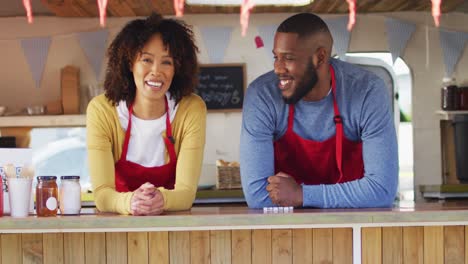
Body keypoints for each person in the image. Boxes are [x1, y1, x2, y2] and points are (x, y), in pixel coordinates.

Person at [240, 13, 398, 208]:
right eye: (276, 57)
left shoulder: (367, 91)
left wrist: (302, 195)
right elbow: (257, 197)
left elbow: (381, 191)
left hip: (354, 225)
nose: (278, 68)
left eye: (288, 58)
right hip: (285, 229)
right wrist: (350, 195)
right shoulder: (262, 95)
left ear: (320, 57)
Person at [86, 13, 206, 215]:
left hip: (173, 229)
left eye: (166, 62)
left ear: (178, 68)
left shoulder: (191, 109)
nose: (156, 71)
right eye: (146, 60)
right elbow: (102, 195)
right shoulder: (101, 111)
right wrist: (131, 202)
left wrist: (162, 199)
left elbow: (186, 194)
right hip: (117, 229)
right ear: (129, 63)